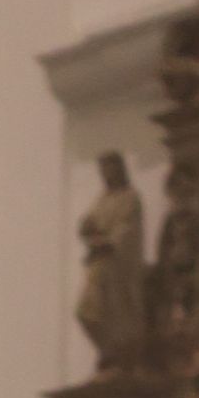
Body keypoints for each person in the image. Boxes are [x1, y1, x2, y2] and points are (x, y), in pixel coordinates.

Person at [76, 152, 146, 367]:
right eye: (103, 169)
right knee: (85, 312)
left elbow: (128, 230)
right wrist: (87, 228)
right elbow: (89, 223)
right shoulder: (103, 198)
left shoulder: (130, 197)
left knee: (116, 311)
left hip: (117, 265)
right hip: (99, 262)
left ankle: (119, 354)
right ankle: (108, 350)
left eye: (110, 168)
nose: (106, 173)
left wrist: (110, 242)